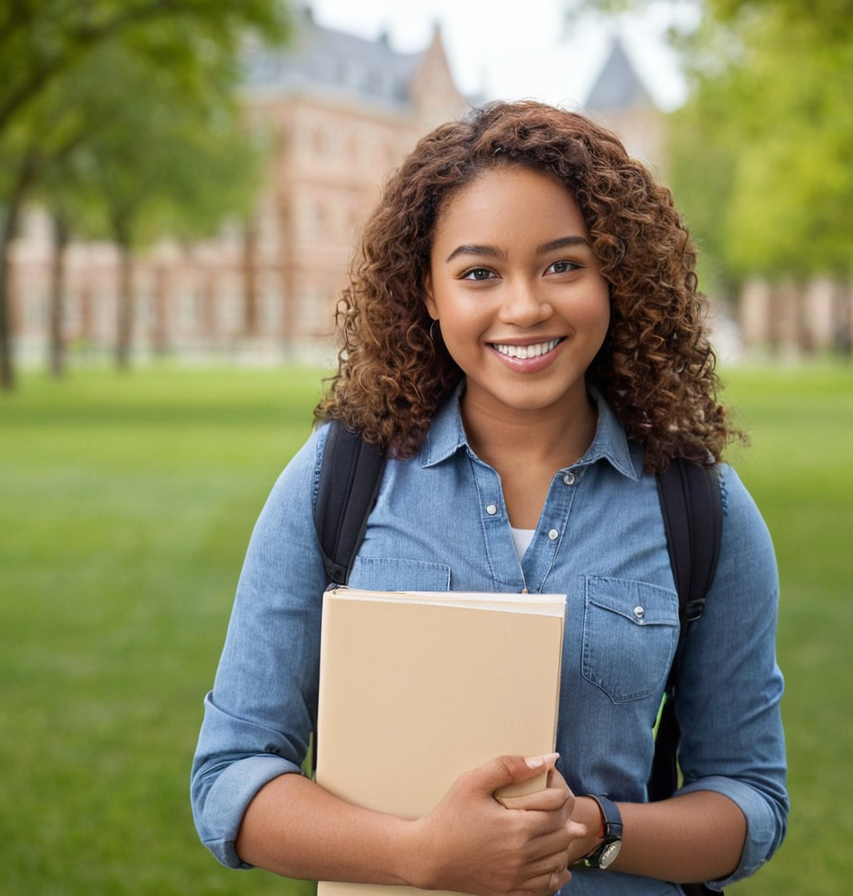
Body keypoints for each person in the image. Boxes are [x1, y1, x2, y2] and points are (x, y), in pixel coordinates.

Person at [191, 100, 787, 896]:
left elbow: (749, 801)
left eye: (563, 265)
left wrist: (593, 829)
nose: (524, 307)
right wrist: (417, 856)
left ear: (615, 272)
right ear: (430, 293)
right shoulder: (338, 479)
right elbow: (231, 778)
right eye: (479, 273)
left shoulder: (701, 506)